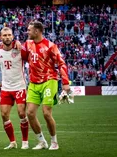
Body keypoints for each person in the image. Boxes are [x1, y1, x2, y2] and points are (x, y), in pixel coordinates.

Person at [24, 21, 70, 150]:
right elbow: (18, 54)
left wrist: (65, 83)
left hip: (49, 81)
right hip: (33, 83)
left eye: (29, 30)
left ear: (37, 31)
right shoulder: (27, 44)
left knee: (46, 113)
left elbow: (61, 63)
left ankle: (54, 142)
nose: (27, 32)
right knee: (30, 113)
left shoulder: (50, 46)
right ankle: (42, 141)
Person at [0, 27, 30, 149]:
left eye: (9, 35)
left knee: (22, 113)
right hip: (5, 88)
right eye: (4, 35)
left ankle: (25, 142)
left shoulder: (20, 49)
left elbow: (30, 56)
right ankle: (13, 142)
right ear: (1, 37)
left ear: (13, 36)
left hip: (19, 86)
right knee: (4, 115)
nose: (7, 37)